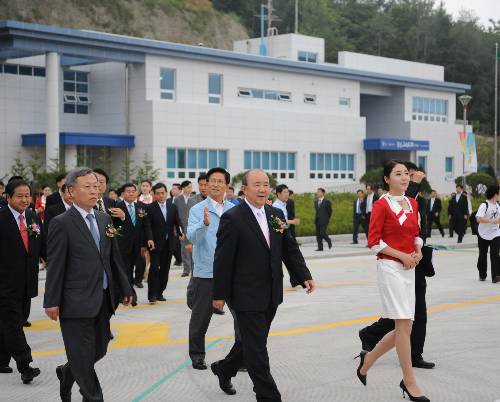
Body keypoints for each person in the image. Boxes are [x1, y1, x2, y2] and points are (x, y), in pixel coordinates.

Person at [211, 169, 315, 401]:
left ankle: (225, 368)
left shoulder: (275, 213)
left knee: (252, 342)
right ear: (244, 189)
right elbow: (223, 259)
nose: (262, 189)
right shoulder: (233, 217)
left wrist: (303, 274)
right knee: (257, 349)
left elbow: (289, 248)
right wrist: (219, 294)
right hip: (245, 293)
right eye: (256, 185)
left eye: (266, 184)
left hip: (271, 292)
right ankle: (268, 396)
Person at [44, 168, 133, 402]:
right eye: (88, 187)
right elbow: (56, 265)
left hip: (103, 298)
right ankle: (94, 398)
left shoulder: (103, 218)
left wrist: (125, 287)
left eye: (96, 186)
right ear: (71, 192)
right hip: (74, 301)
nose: (94, 191)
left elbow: (112, 257)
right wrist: (51, 301)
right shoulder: (61, 223)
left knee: (99, 349)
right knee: (83, 356)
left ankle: (68, 372)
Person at [358, 160, 429, 402]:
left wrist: (417, 252)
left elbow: (416, 235)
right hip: (390, 268)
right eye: (398, 174)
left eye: (406, 174)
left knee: (405, 327)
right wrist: (402, 256)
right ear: (387, 179)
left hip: (410, 267)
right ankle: (409, 381)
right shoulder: (381, 205)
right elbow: (374, 242)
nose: (405, 178)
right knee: (402, 326)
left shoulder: (412, 203)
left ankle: (368, 360)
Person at [187, 167, 234, 370]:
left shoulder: (235, 209)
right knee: (200, 318)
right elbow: (193, 238)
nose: (214, 184)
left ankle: (240, 357)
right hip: (206, 272)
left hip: (233, 272)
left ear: (226, 185)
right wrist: (204, 225)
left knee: (242, 318)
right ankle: (197, 355)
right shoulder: (197, 210)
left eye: (219, 181)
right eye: (211, 181)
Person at [0, 179, 44, 384]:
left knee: (12, 323)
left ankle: (1, 361)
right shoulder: (1, 218)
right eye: (20, 196)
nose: (25, 200)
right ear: (8, 197)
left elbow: (42, 246)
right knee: (13, 324)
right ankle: (25, 366)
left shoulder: (33, 217)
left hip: (27, 281)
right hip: (5, 284)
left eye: (27, 195)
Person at [145, 183, 183, 304]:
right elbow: (148, 226)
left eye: (163, 193)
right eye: (158, 193)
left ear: (166, 193)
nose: (161, 195)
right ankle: (152, 295)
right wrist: (150, 238)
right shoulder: (150, 208)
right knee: (154, 268)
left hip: (169, 243)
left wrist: (181, 232)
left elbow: (177, 222)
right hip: (155, 244)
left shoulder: (172, 207)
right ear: (154, 194)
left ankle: (160, 292)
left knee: (165, 270)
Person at [116, 183, 150, 296]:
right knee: (126, 269)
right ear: (123, 193)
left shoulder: (141, 206)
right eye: (128, 191)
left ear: (136, 192)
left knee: (140, 264)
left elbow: (146, 225)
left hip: (139, 244)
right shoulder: (118, 206)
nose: (131, 193)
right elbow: (115, 226)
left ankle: (138, 281)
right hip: (124, 244)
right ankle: (128, 293)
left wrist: (149, 239)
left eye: (133, 191)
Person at [475, 185, 500, 282]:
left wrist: (497, 222)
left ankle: (496, 276)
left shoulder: (498, 206)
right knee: (482, 255)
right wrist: (493, 221)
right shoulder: (484, 205)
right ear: (495, 194)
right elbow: (478, 219)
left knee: (495, 253)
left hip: (495, 232)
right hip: (483, 234)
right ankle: (482, 273)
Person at [174, 181, 195, 277]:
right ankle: (186, 269)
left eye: (191, 187)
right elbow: (174, 215)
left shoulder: (194, 199)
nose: (189, 189)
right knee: (184, 249)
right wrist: (176, 229)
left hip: (193, 227)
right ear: (183, 188)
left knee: (193, 249)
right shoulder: (177, 199)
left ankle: (194, 269)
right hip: (182, 228)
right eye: (187, 187)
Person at [167, 184, 183, 266]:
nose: (173, 190)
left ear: (180, 191)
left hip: (180, 224)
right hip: (170, 225)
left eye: (175, 189)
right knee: (173, 243)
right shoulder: (168, 200)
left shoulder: (183, 200)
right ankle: (179, 259)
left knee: (178, 243)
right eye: (172, 188)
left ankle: (179, 259)